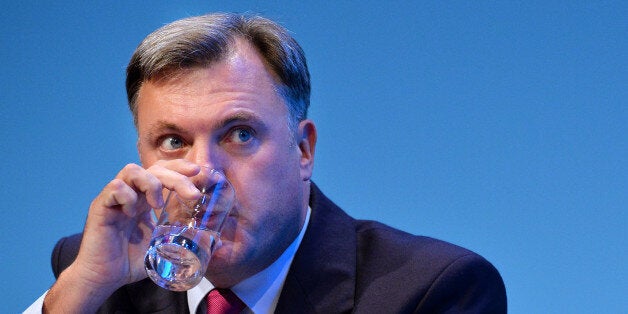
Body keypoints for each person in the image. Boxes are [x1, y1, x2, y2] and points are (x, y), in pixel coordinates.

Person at [27, 13, 507, 313]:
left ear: (303, 150)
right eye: (173, 141)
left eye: (240, 134)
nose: (204, 174)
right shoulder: (95, 276)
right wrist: (76, 294)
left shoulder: (432, 290)